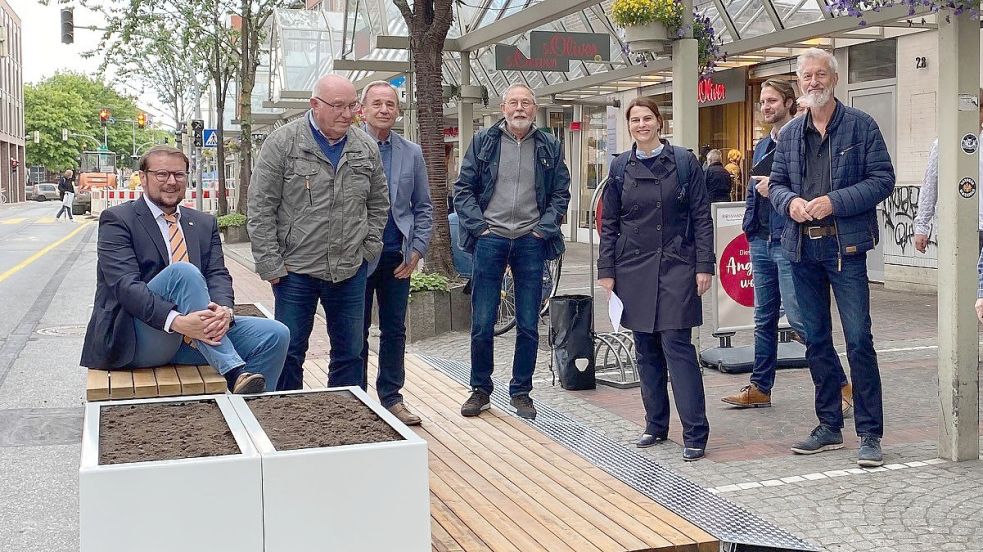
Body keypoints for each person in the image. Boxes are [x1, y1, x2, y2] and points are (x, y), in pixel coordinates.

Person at [769, 48, 895, 467]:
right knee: (816, 340)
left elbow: (883, 180)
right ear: (799, 82)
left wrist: (833, 202)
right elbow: (778, 185)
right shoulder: (788, 135)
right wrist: (790, 204)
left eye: (820, 74)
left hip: (847, 249)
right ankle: (828, 426)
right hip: (802, 248)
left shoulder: (861, 126)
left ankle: (870, 433)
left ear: (834, 79)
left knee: (859, 340)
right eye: (806, 76)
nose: (813, 82)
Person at [80, 146, 288, 393]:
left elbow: (217, 275)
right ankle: (233, 370)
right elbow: (125, 287)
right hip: (139, 336)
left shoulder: (203, 222)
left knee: (276, 334)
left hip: (195, 337)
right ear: (143, 178)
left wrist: (224, 311)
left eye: (179, 175)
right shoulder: (117, 220)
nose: (171, 181)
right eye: (162, 174)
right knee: (183, 273)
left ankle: (253, 416)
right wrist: (177, 321)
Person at [249, 74, 390, 392]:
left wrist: (369, 250)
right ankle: (287, 420)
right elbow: (260, 208)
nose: (347, 113)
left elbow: (379, 204)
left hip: (350, 271)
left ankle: (347, 422)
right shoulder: (283, 143)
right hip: (294, 272)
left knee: (350, 354)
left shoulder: (365, 147)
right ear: (314, 104)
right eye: (338, 106)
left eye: (352, 106)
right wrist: (271, 264)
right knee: (289, 351)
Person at [723, 79, 852, 413]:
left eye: (772, 101)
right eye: (762, 102)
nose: (766, 107)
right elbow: (753, 190)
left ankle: (840, 384)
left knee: (800, 319)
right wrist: (750, 227)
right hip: (761, 239)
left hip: (788, 239)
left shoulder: (802, 140)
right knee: (763, 318)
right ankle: (760, 387)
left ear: (789, 103)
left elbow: (812, 187)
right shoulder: (763, 144)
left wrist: (777, 191)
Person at [597, 97, 715, 462]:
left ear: (659, 122)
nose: (641, 125)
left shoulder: (683, 162)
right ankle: (655, 424)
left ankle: (695, 432)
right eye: (635, 119)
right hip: (632, 267)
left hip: (678, 264)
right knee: (645, 348)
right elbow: (610, 224)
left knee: (677, 347)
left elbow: (701, 217)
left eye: (648, 118)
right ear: (629, 125)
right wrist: (606, 272)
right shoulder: (619, 167)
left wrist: (704, 265)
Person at [454, 83, 571, 420]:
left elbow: (561, 193)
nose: (520, 108)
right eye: (514, 103)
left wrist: (542, 230)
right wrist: (480, 227)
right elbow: (463, 190)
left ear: (535, 109)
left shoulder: (549, 144)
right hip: (490, 239)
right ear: (502, 107)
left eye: (526, 103)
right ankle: (480, 389)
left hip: (530, 241)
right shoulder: (484, 142)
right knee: (483, 320)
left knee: (529, 323)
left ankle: (521, 391)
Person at [358, 81, 434, 425]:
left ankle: (391, 397)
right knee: (353, 329)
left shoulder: (411, 152)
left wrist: (417, 250)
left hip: (397, 256)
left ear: (398, 111)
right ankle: (353, 396)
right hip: (356, 257)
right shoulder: (349, 147)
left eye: (390, 104)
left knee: (394, 330)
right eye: (377, 104)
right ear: (363, 110)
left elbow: (423, 207)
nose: (384, 109)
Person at [912, 90, 983, 254]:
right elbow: (931, 185)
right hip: (957, 227)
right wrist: (922, 226)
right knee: (960, 278)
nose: (972, 114)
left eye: (977, 108)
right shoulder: (944, 143)